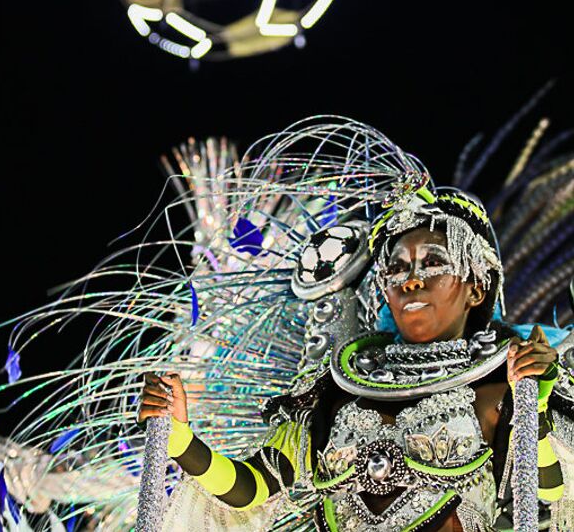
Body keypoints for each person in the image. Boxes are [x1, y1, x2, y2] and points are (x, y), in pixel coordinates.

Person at [138, 182, 574, 532]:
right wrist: (179, 439)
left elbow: (552, 497)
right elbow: (250, 488)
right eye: (398, 268)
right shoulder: (332, 395)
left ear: (477, 288)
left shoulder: (507, 389)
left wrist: (533, 411)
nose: (412, 281)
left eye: (434, 262)